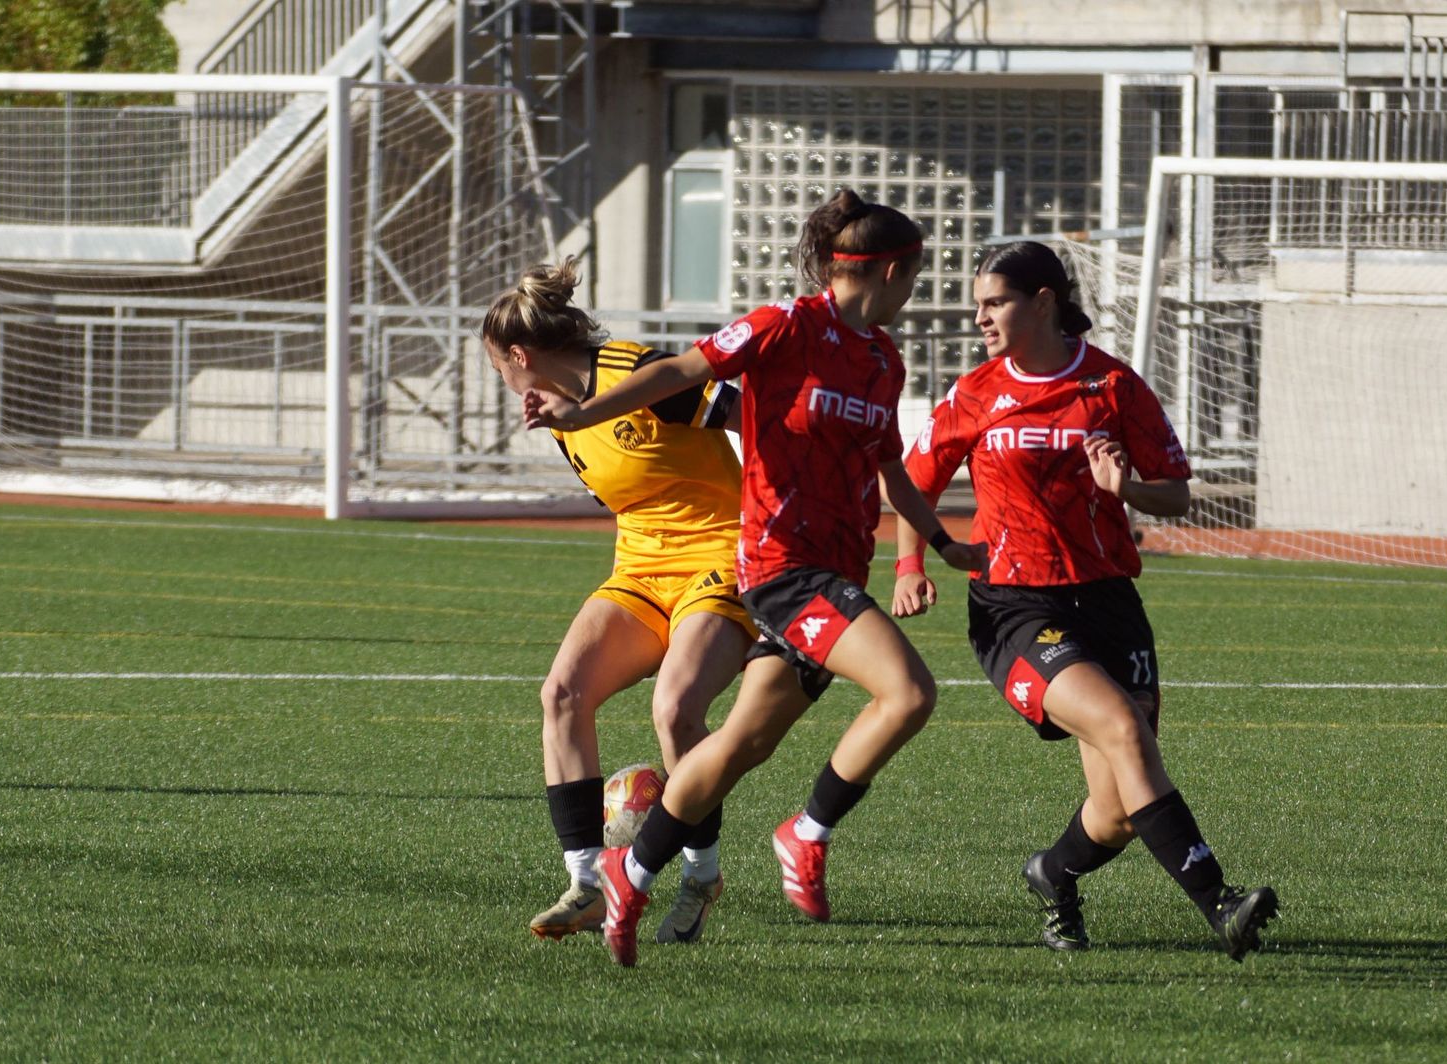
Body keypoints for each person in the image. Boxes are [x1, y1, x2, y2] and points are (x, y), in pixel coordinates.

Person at [523, 190, 986, 966]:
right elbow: (676, 371)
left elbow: (887, 466)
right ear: (887, 270)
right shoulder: (782, 326)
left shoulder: (882, 358)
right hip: (782, 568)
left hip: (837, 568)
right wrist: (581, 413)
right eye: (913, 279)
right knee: (908, 692)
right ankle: (807, 832)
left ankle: (629, 874)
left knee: (737, 743)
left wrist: (935, 543)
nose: (913, 295)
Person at [893, 241, 1278, 962]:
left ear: (1043, 302)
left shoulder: (1112, 386)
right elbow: (910, 476)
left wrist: (1125, 489)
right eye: (978, 304)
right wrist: (917, 558)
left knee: (1117, 812)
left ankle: (1051, 873)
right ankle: (1220, 904)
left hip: (1107, 603)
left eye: (995, 302)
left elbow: (1176, 492)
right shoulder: (975, 391)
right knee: (1125, 731)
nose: (980, 317)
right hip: (1014, 607)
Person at [482, 257, 754, 945]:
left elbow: (753, 414)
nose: (503, 383)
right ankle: (587, 881)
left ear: (520, 355)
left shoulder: (639, 372)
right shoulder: (562, 415)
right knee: (563, 693)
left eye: (498, 367)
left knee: (676, 711)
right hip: (640, 567)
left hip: (722, 555)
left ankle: (701, 876)